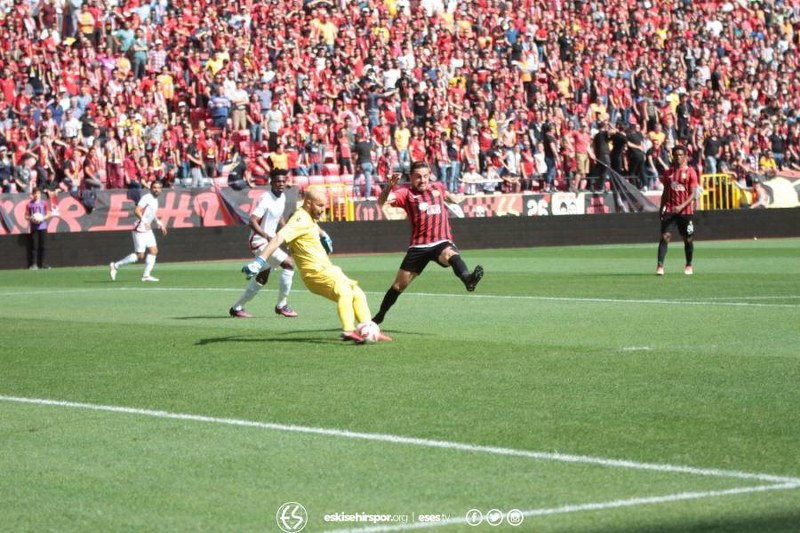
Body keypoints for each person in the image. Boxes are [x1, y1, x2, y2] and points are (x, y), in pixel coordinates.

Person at [241, 188, 389, 343]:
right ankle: (348, 330)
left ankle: (369, 330)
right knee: (345, 292)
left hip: (328, 270)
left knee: (357, 293)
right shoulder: (299, 219)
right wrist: (260, 261)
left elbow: (313, 225)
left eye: (324, 206)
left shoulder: (308, 217)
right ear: (309, 203)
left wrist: (324, 235)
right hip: (315, 273)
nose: (322, 210)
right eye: (319, 206)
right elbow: (278, 238)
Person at [372, 161, 484, 325]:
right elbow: (381, 202)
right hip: (418, 247)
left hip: (441, 241)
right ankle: (379, 316)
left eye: (425, 176)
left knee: (451, 254)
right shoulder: (406, 193)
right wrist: (389, 185)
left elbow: (450, 198)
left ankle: (468, 279)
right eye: (418, 177)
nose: (423, 180)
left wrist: (457, 198)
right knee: (398, 287)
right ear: (411, 177)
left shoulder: (438, 187)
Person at [229, 172, 298, 319]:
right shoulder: (265, 199)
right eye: (277, 181)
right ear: (271, 183)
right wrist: (265, 235)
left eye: (283, 181)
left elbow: (279, 216)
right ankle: (282, 305)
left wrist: (286, 232)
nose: (281, 184)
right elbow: (252, 220)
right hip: (259, 241)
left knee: (262, 277)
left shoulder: (282, 197)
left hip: (270, 241)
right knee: (289, 264)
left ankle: (237, 308)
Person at [109, 180, 167, 282]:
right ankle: (115, 265)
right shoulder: (147, 198)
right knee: (140, 255)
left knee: (154, 250)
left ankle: (146, 276)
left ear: (161, 189)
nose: (157, 189)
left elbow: (152, 214)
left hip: (147, 229)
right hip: (140, 228)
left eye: (158, 188)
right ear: (150, 188)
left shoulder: (155, 200)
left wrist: (159, 224)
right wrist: (144, 221)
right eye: (154, 187)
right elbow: (137, 210)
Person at [657, 146, 698, 276]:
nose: (678, 157)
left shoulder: (691, 172)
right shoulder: (668, 173)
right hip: (670, 209)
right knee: (665, 236)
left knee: (688, 239)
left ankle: (689, 264)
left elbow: (692, 194)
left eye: (680, 155)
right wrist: (661, 208)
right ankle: (660, 266)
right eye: (675, 155)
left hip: (686, 211)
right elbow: (665, 192)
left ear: (685, 156)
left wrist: (681, 206)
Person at [25, 188, 56, 270]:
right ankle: (34, 264)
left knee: (43, 246)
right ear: (32, 194)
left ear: (40, 194)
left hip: (43, 227)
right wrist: (31, 218)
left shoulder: (44, 203)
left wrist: (42, 218)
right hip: (34, 228)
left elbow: (49, 214)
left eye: (38, 193)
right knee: (34, 246)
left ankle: (43, 264)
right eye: (35, 193)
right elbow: (26, 216)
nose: (36, 195)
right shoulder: (29, 204)